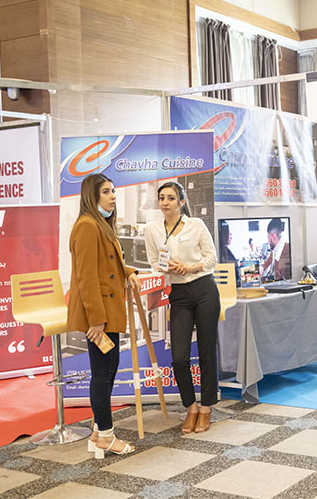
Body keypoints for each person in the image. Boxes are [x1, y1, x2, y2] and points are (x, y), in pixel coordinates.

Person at [67, 174, 140, 458]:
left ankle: (99, 431)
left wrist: (129, 272)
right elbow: (86, 278)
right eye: (107, 191)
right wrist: (96, 319)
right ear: (92, 195)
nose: (113, 196)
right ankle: (107, 436)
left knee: (109, 369)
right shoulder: (87, 226)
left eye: (113, 191)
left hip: (107, 310)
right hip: (99, 314)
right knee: (102, 373)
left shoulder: (100, 224)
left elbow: (110, 264)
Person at [145, 181, 220, 434]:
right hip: (178, 293)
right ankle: (190, 406)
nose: (165, 202)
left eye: (170, 198)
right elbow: (154, 262)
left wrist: (190, 267)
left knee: (207, 350)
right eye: (162, 198)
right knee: (179, 357)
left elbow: (212, 258)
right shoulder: (152, 229)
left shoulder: (195, 225)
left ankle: (206, 407)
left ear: (181, 202)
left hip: (203, 288)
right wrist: (168, 268)